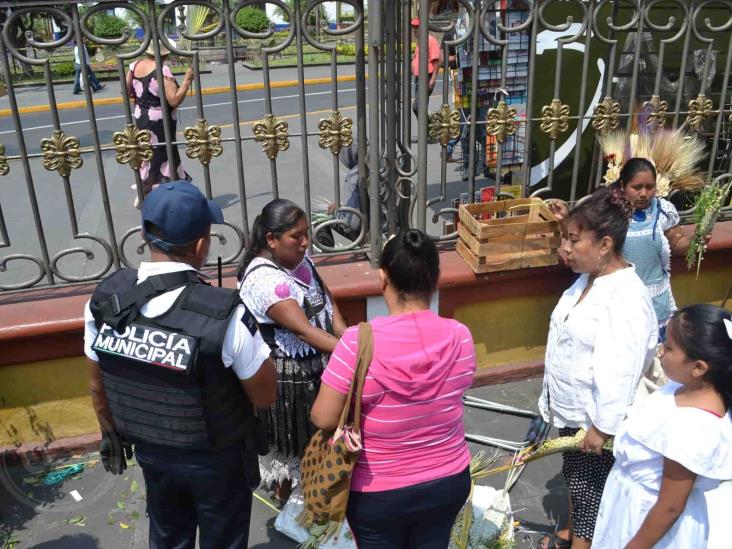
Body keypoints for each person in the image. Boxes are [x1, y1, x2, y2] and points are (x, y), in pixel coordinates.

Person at [83, 180, 277, 548]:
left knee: (169, 537)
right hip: (217, 460)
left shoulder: (107, 298)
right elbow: (265, 394)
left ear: (144, 234)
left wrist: (110, 431)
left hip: (151, 453)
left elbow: (97, 384)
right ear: (202, 245)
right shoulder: (224, 314)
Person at [311, 229, 475, 549]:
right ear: (436, 278)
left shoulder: (358, 342)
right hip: (448, 481)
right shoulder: (461, 337)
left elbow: (323, 417)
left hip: (379, 492)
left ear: (382, 278)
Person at [538, 187, 658, 549]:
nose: (565, 249)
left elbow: (620, 369)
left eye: (573, 241)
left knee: (591, 494)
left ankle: (581, 543)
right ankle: (570, 533)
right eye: (564, 238)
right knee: (575, 479)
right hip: (577, 412)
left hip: (597, 421)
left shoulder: (625, 298)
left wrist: (601, 427)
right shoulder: (590, 279)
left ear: (605, 245)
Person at [593, 304, 732, 548]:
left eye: (668, 348)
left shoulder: (694, 428)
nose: (660, 352)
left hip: (647, 524)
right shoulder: (680, 389)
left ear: (698, 367)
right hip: (631, 506)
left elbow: (670, 506)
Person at [237, 199, 346, 504]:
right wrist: (352, 349)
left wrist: (342, 329)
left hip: (317, 366)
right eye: (296, 236)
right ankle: (287, 503)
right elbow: (302, 330)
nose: (305, 242)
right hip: (287, 379)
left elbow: (324, 297)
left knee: (318, 440)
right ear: (271, 240)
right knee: (290, 444)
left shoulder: (298, 258)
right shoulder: (264, 279)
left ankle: (315, 497)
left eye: (306, 233)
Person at [127, 40, 194, 204]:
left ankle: (146, 189)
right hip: (159, 122)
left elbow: (128, 89)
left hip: (141, 116)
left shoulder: (134, 66)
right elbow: (174, 100)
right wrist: (187, 80)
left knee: (148, 153)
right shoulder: (161, 70)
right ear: (166, 52)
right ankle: (160, 192)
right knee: (164, 155)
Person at [410, 17, 442, 120]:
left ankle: (428, 128)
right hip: (418, 78)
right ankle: (425, 133)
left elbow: (436, 61)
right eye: (413, 27)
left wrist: (432, 79)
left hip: (426, 77)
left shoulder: (430, 40)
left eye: (416, 27)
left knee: (417, 107)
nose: (414, 30)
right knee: (421, 107)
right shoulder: (420, 41)